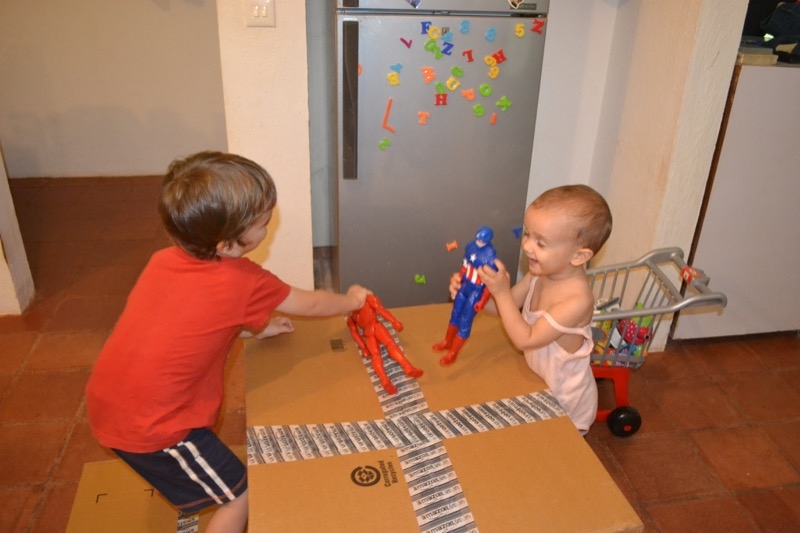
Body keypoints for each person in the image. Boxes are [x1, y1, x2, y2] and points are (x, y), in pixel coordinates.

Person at [85, 151, 370, 533]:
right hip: (154, 427)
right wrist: (352, 301)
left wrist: (254, 329)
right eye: (262, 222)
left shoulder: (162, 260)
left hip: (112, 399)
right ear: (226, 244)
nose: (268, 225)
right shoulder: (244, 281)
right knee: (239, 497)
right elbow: (313, 303)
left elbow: (190, 323)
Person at [448, 185, 612, 435]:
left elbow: (526, 338)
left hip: (563, 401)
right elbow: (506, 308)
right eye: (527, 234)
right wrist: (473, 295)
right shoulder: (540, 274)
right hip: (536, 383)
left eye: (541, 243)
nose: (527, 246)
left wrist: (501, 292)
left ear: (578, 256)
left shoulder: (577, 301)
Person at [432, 226, 497, 365]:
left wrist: (483, 300)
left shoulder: (490, 256)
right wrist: (459, 279)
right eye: (478, 239)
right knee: (455, 314)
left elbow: (490, 283)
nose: (479, 242)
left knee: (465, 321)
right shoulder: (470, 246)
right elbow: (464, 266)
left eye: (482, 240)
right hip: (466, 285)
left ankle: (453, 353)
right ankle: (447, 341)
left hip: (477, 290)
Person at [347, 293, 423, 395]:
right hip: (376, 327)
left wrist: (363, 347)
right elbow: (380, 310)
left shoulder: (352, 317)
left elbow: (354, 333)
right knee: (390, 344)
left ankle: (384, 380)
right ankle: (407, 366)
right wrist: (394, 321)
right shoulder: (368, 299)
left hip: (368, 334)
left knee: (376, 355)